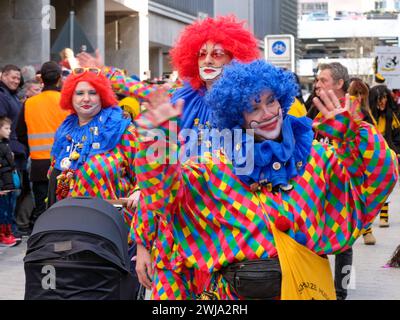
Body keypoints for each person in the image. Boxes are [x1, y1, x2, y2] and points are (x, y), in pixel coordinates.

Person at [133, 60, 398, 300]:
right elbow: (164, 195)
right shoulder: (218, 165)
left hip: (306, 289)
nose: (267, 113)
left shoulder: (314, 158)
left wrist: (355, 135)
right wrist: (158, 146)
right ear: (239, 117)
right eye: (253, 108)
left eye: (271, 101)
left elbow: (380, 178)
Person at [76, 16, 261, 288]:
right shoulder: (178, 103)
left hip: (229, 238)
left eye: (218, 53)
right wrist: (142, 245)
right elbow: (155, 181)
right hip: (175, 237)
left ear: (235, 57)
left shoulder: (252, 107)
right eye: (201, 54)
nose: (207, 60)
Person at [17, 61, 69, 230]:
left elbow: (21, 133)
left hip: (39, 165)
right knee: (64, 208)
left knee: (41, 208)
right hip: (65, 164)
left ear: (41, 79)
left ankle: (40, 243)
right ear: (60, 78)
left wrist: (34, 144)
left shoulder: (29, 103)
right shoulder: (66, 102)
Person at [348, 78, 378, 245]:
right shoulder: (348, 110)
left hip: (363, 158)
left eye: (362, 94)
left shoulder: (366, 113)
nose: (358, 97)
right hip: (347, 158)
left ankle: (366, 229)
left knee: (363, 194)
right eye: (356, 94)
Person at [369, 85, 400, 229]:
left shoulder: (392, 117)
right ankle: (367, 225)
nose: (382, 101)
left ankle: (384, 215)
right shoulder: (367, 117)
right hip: (370, 158)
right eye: (379, 98)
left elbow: (397, 137)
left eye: (384, 98)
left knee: (385, 186)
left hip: (387, 157)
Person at [0, 117, 18, 246]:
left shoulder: (5, 144)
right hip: (2, 185)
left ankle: (8, 234)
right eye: (6, 128)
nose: (9, 131)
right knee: (3, 211)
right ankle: (3, 236)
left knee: (8, 209)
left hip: (7, 182)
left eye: (10, 128)